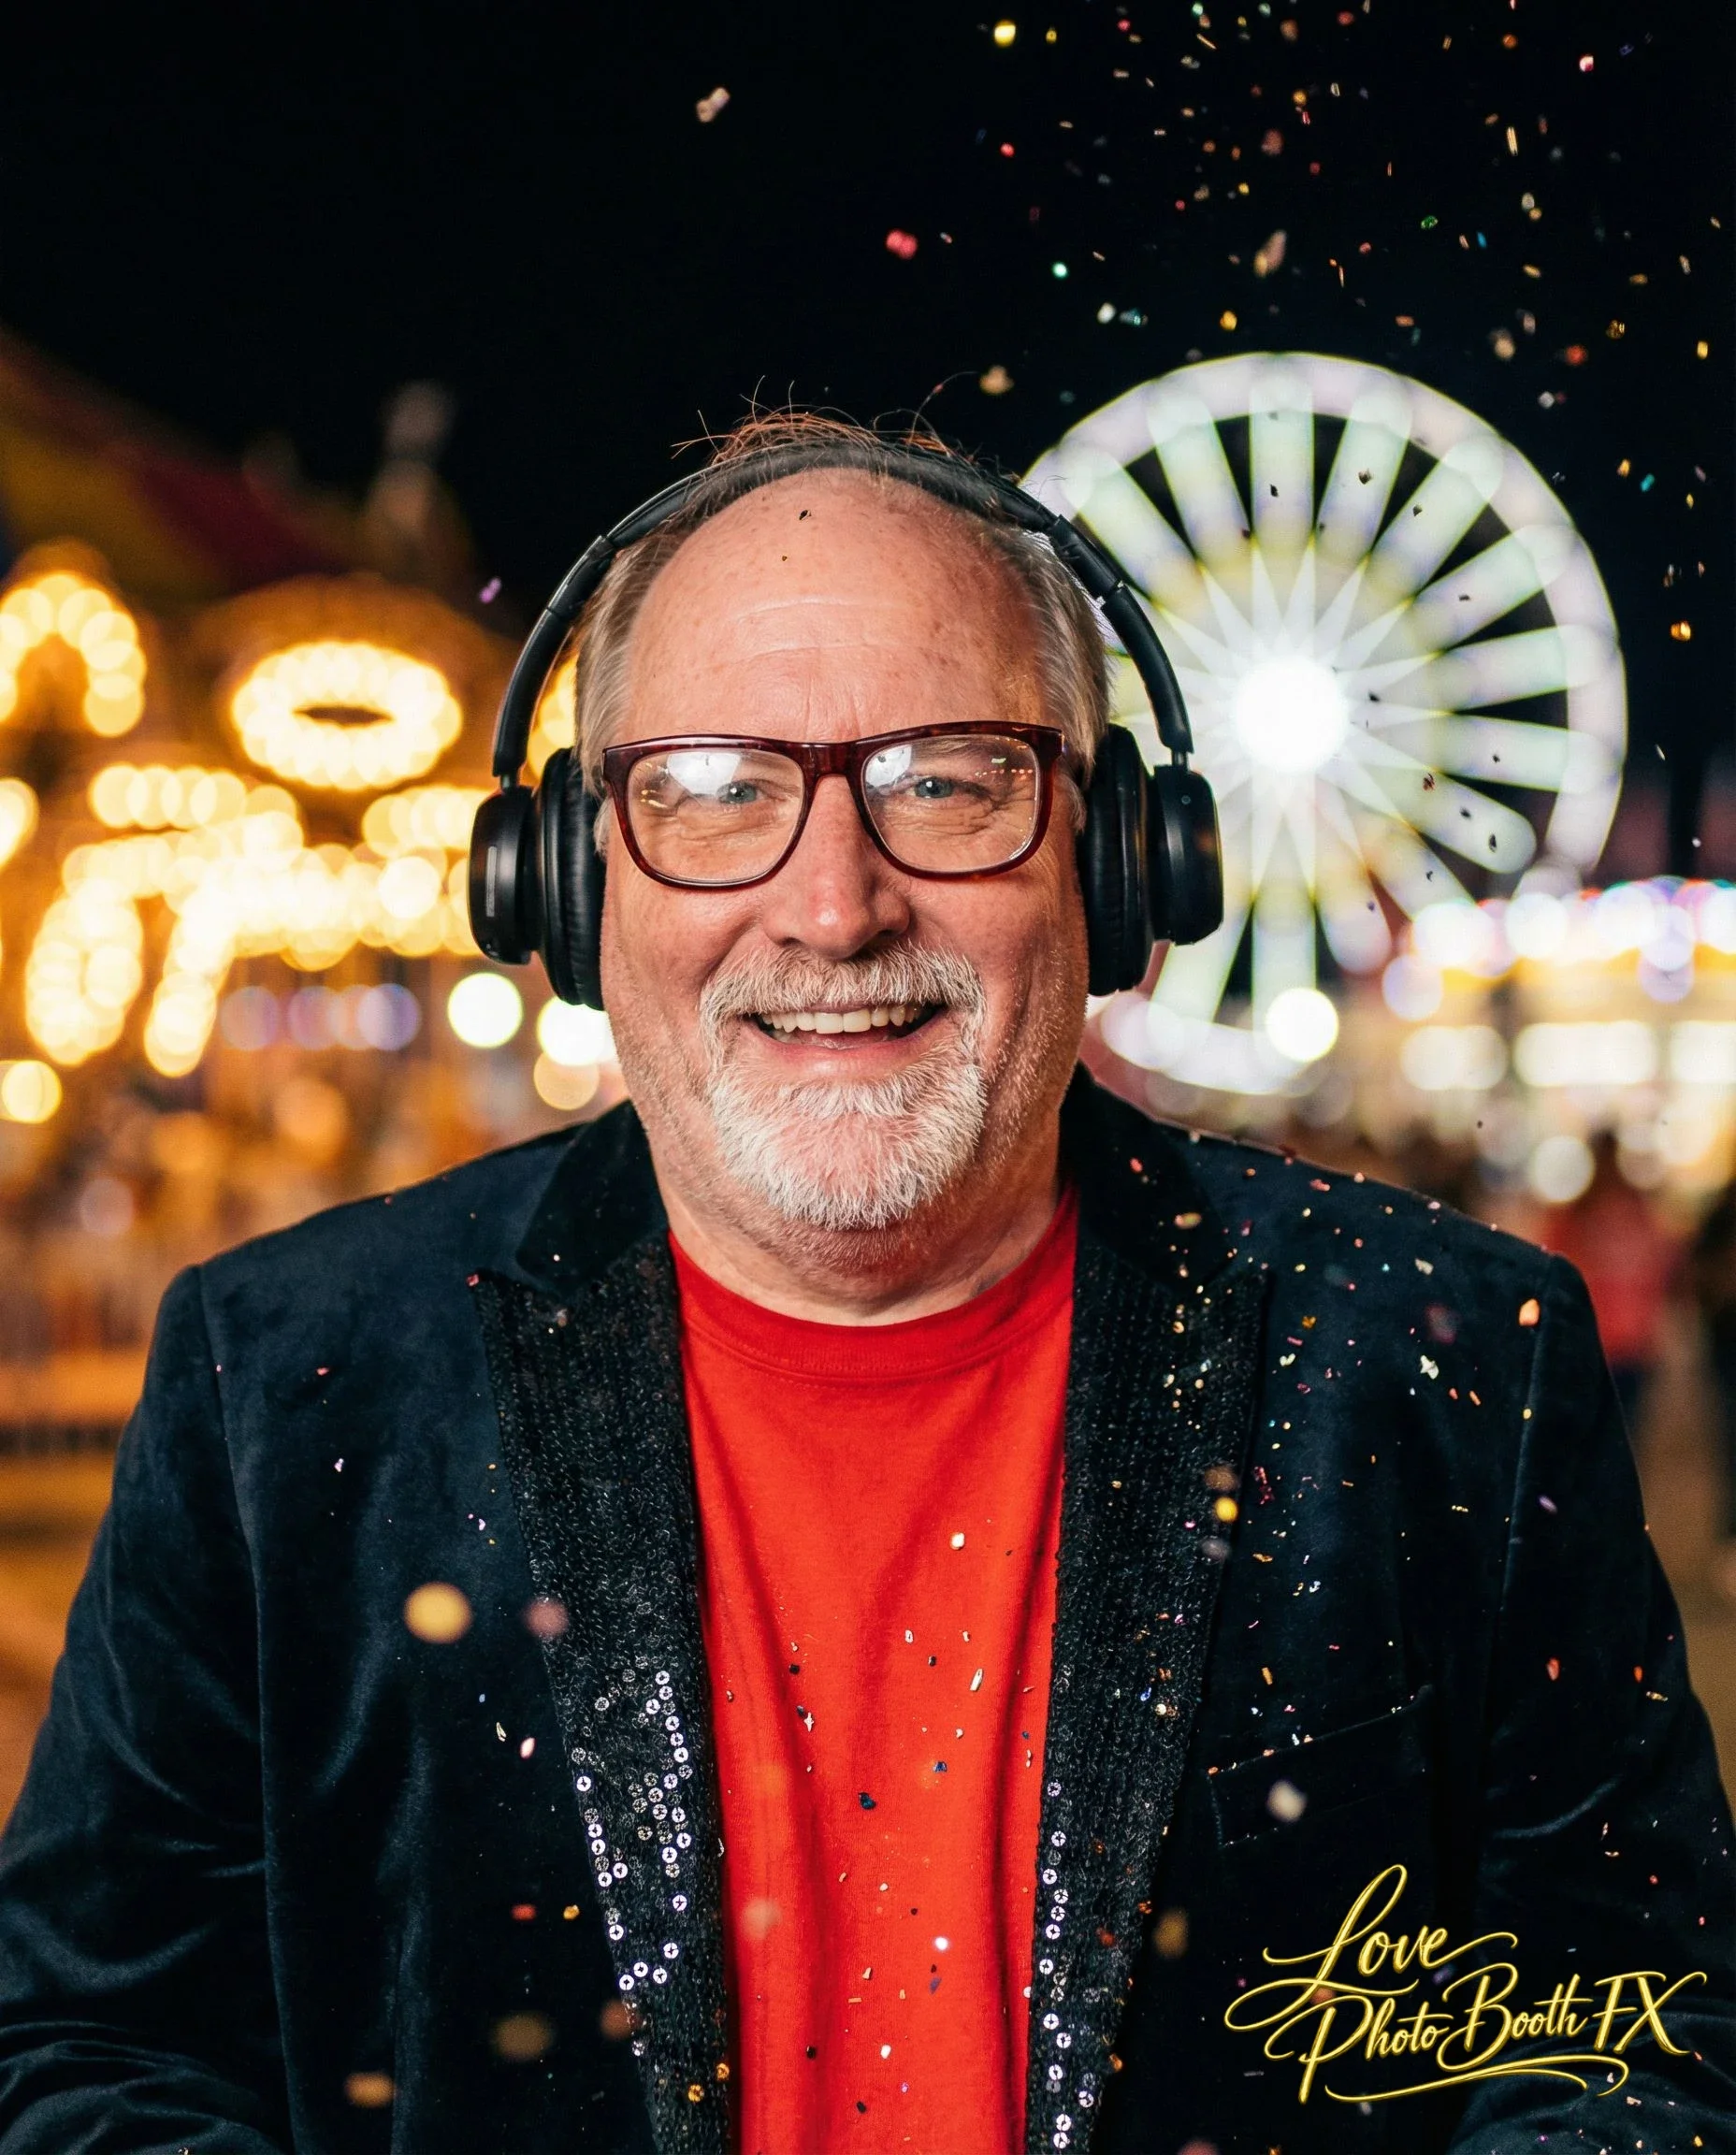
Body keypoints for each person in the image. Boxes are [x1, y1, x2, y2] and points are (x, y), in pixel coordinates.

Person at [0, 415, 1729, 2155]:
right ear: (567, 886)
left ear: (1124, 859)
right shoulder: (278, 1388)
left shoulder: (1446, 1368)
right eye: (712, 791)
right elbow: (88, 2050)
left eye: (947, 779)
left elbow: (1633, 2046)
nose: (835, 907)